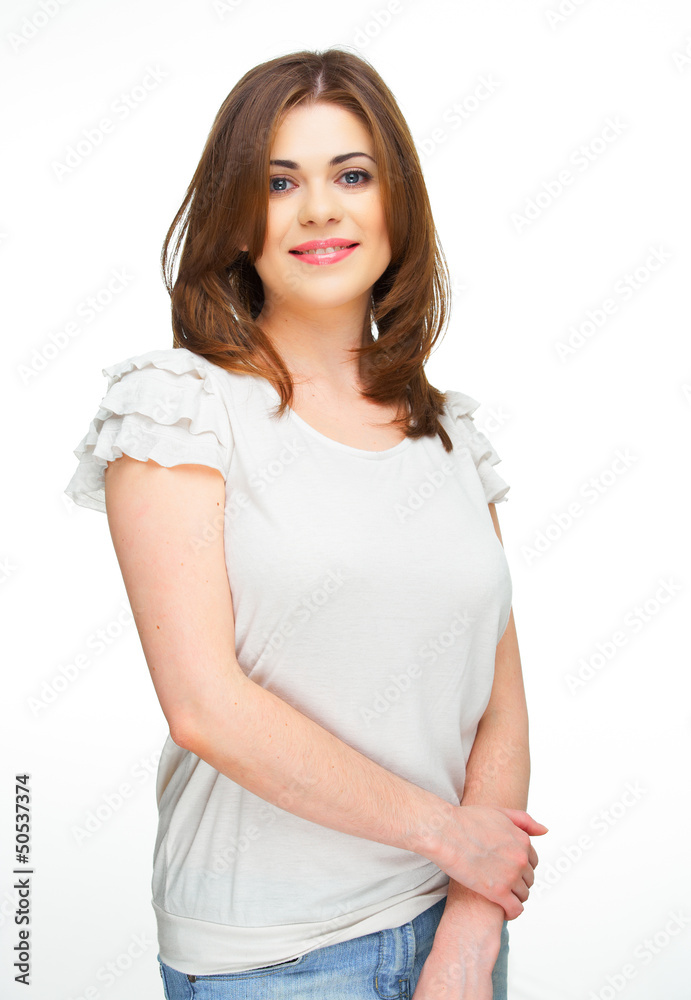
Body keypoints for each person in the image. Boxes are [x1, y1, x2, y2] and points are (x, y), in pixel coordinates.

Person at [64, 46, 547, 1000]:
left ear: (396, 202)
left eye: (351, 175)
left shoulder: (450, 435)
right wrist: (450, 836)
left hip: (454, 931)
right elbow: (205, 706)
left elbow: (499, 705)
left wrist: (469, 929)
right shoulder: (178, 410)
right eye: (280, 182)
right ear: (237, 218)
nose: (320, 208)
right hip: (275, 959)